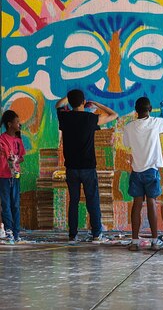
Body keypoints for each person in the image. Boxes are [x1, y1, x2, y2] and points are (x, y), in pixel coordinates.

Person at [56, 90, 118, 242]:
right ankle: (96, 234)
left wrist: (69, 97)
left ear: (70, 103)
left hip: (71, 168)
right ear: (83, 102)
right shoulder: (90, 118)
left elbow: (59, 105)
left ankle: (73, 234)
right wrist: (96, 103)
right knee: (92, 200)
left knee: (74, 202)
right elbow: (113, 114)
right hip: (88, 167)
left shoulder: (64, 117)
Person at [123, 97, 163, 251]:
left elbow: (126, 144)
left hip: (137, 170)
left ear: (136, 110)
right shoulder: (155, 123)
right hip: (151, 170)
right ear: (150, 109)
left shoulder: (129, 127)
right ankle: (154, 240)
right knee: (151, 203)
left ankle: (134, 241)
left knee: (137, 204)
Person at [0, 110, 26, 243]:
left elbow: (21, 157)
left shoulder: (18, 140)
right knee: (6, 204)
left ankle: (16, 232)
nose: (19, 124)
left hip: (15, 175)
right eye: (17, 122)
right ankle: (8, 230)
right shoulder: (2, 139)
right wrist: (7, 158)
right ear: (10, 124)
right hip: (3, 175)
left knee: (15, 203)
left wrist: (16, 160)